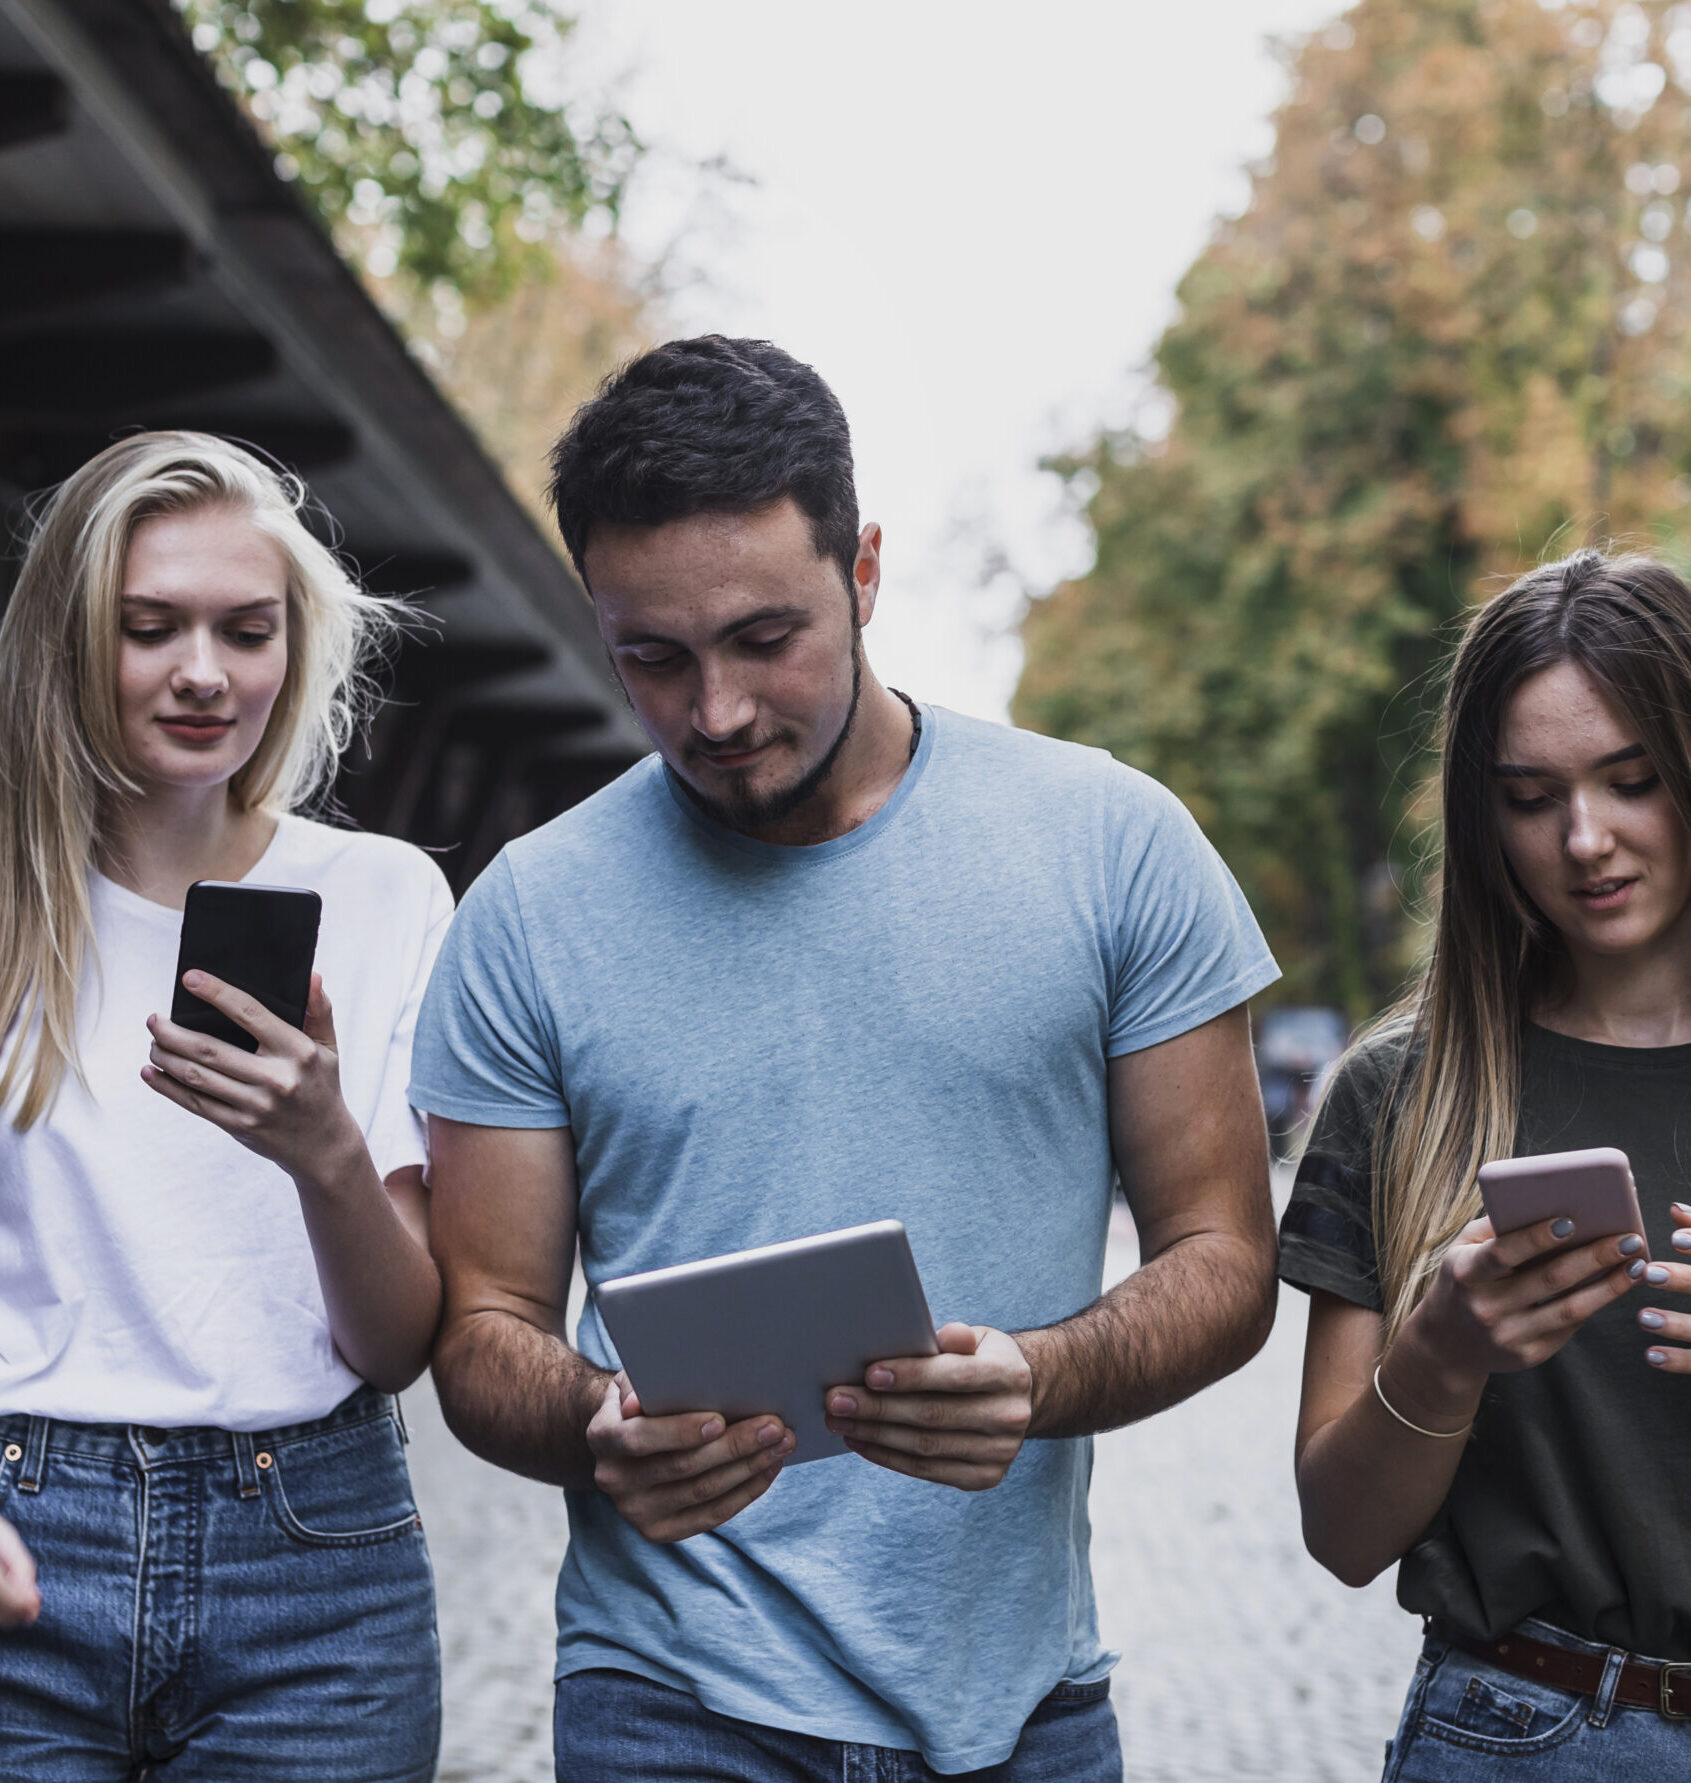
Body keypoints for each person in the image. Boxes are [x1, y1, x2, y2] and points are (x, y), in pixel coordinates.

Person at [411, 335, 1282, 1779]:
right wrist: (593, 1419)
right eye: (651, 656)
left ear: (863, 570)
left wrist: (1040, 1375)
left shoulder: (1110, 843)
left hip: (1023, 1706)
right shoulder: (527, 911)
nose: (717, 712)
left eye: (766, 637)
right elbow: (480, 1326)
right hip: (667, 1696)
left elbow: (1224, 1255)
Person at [0, 433, 451, 1780]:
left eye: (246, 629)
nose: (203, 670)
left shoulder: (386, 900)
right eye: (149, 627)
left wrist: (323, 1154)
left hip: (313, 1561)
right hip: (17, 1531)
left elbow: (397, 1338)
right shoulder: (1, 898)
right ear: (72, 637)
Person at [1281, 550, 1691, 1777]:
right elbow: (1345, 1535)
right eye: (1530, 795)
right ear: (1480, 813)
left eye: (1632, 780)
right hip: (1522, 1732)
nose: (1584, 838)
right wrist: (1445, 1352)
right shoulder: (1401, 1093)